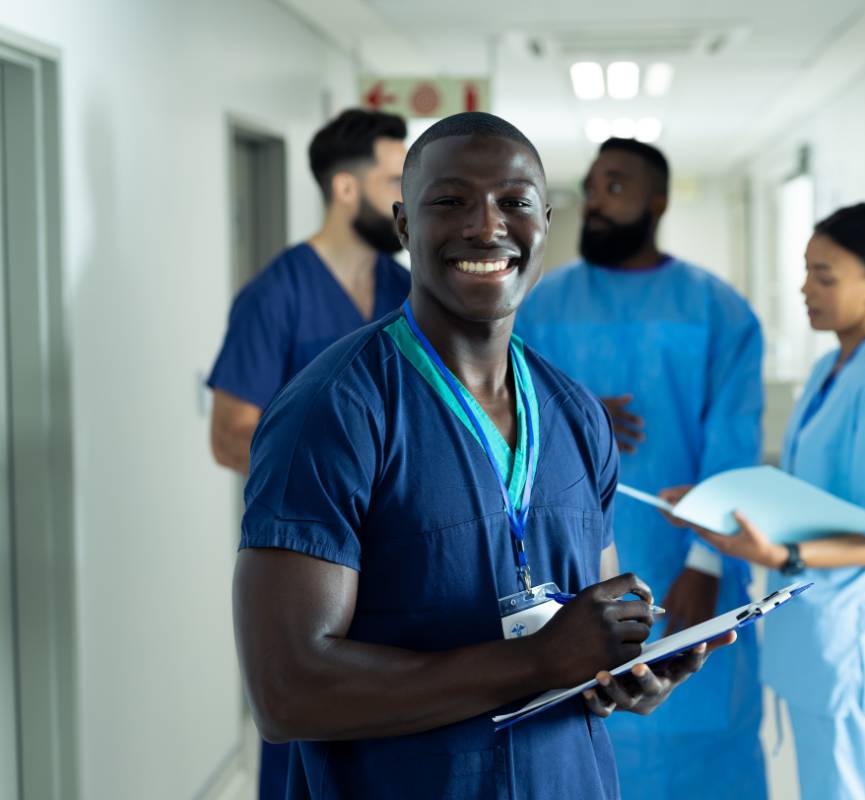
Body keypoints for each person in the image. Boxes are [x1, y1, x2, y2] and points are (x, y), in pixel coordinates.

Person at [232, 111, 733, 799]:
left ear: (545, 222)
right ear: (405, 225)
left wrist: (623, 673)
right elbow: (287, 691)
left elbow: (583, 640)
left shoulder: (577, 418)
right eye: (452, 202)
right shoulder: (333, 411)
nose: (486, 226)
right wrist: (535, 661)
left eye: (514, 202)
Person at [517, 138, 766, 800]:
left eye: (616, 186)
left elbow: (732, 443)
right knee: (579, 747)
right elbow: (498, 410)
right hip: (568, 581)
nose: (595, 200)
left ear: (657, 201)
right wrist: (571, 407)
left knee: (701, 750)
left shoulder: (720, 313)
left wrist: (705, 565)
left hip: (689, 577)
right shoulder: (540, 307)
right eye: (592, 186)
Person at [664, 203, 865, 800]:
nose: (805, 288)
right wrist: (717, 501)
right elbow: (818, 489)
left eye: (825, 276)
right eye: (806, 270)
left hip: (853, 644)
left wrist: (782, 554)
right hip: (820, 635)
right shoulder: (832, 368)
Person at [209, 108, 412, 477]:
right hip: (305, 526)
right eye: (394, 182)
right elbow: (228, 437)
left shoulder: (408, 292)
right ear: (346, 188)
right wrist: (338, 469)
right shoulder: (275, 296)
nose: (407, 198)